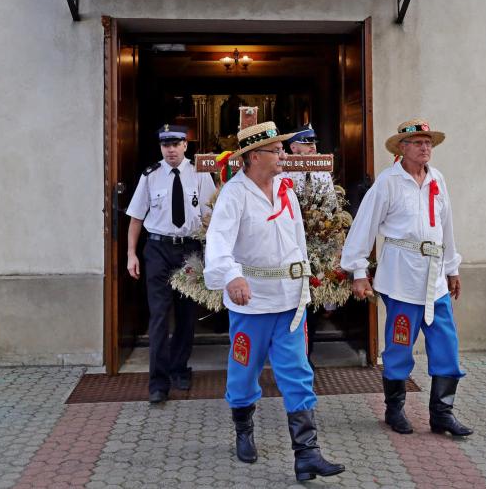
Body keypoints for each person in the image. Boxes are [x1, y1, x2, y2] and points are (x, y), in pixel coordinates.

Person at [204, 121, 345, 481]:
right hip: (251, 303)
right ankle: (243, 430)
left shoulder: (285, 189)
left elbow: (297, 240)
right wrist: (231, 276)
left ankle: (307, 453)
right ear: (254, 157)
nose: (283, 156)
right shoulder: (234, 195)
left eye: (282, 149)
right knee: (243, 374)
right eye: (276, 151)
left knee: (297, 373)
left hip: (289, 301)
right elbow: (218, 241)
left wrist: (307, 279)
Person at [340, 118, 472, 438]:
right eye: (418, 142)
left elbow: (446, 226)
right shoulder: (389, 182)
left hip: (435, 279)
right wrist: (358, 271)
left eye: (428, 142)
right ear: (402, 147)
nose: (426, 147)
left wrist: (452, 268)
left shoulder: (437, 179)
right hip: (401, 278)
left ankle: (442, 414)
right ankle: (394, 410)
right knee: (399, 346)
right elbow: (365, 225)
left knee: (446, 345)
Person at [126, 124, 217, 404]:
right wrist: (131, 253)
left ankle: (179, 369)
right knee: (159, 315)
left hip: (189, 249)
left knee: (186, 315)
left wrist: (212, 254)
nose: (171, 150)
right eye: (166, 145)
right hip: (158, 249)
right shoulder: (150, 175)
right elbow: (136, 217)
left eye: (176, 144)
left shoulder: (200, 174)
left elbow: (211, 216)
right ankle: (158, 382)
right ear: (161, 147)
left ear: (185, 146)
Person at [285, 123, 338, 368]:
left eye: (313, 143)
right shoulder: (284, 172)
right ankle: (291, 355)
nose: (312, 147)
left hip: (317, 243)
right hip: (291, 244)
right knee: (292, 301)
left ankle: (307, 355)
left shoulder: (321, 172)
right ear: (293, 148)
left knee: (312, 300)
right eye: (306, 143)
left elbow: (332, 206)